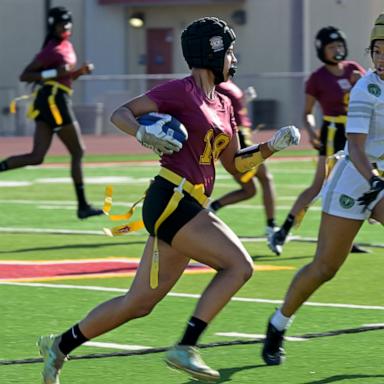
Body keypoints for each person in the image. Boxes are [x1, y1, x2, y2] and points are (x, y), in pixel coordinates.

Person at [37, 17, 300, 383]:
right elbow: (121, 114)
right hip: (172, 197)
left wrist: (272, 146)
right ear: (213, 51)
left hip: (188, 204)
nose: (234, 58)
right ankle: (186, 347)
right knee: (239, 266)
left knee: (138, 304)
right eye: (230, 50)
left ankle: (59, 345)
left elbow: (236, 163)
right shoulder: (180, 90)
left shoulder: (224, 103)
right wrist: (144, 132)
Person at [262, 14, 384, 366]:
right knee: (325, 267)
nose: (380, 57)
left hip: (380, 179)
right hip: (355, 177)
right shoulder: (367, 86)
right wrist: (375, 180)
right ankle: (278, 322)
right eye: (376, 50)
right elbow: (357, 147)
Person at [268, 26, 367, 255]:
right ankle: (283, 231)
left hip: (356, 130)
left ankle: (344, 239)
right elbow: (308, 111)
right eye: (332, 47)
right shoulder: (317, 78)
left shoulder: (354, 69)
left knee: (356, 183)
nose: (337, 50)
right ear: (322, 50)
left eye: (340, 45)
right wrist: (312, 132)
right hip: (333, 131)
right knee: (320, 185)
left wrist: (361, 81)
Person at [0, 6, 103, 220]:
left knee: (37, 157)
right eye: (60, 24)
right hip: (54, 100)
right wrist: (55, 72)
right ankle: (83, 205)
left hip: (52, 99)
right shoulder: (52, 49)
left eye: (67, 23)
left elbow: (64, 76)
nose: (65, 27)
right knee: (78, 151)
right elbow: (25, 75)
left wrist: (78, 72)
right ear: (53, 26)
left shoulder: (66, 46)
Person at [209, 79, 278, 236]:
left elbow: (232, 107)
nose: (232, 60)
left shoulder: (227, 82)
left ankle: (212, 207)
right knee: (263, 180)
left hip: (243, 135)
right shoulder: (215, 85)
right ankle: (271, 227)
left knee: (251, 190)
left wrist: (243, 99)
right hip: (238, 138)